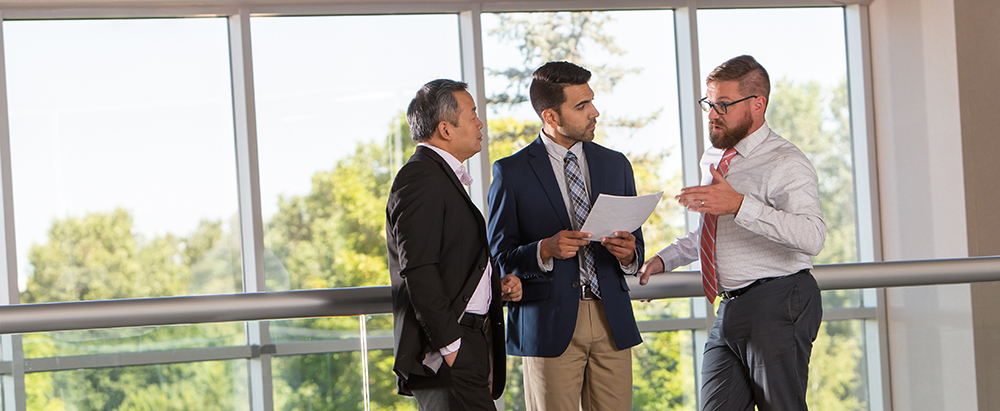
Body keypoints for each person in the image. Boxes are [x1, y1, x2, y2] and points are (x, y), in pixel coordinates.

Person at [639, 55, 827, 411]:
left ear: (758, 104)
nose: (712, 114)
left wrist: (741, 205)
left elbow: (813, 236)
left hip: (778, 299)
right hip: (730, 306)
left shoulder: (786, 161)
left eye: (723, 105)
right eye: (710, 103)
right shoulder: (714, 158)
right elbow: (711, 235)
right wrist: (665, 260)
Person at [487, 61, 643, 411]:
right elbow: (498, 258)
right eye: (581, 106)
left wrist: (629, 254)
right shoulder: (511, 172)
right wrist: (544, 249)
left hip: (611, 320)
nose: (594, 112)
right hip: (549, 322)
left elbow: (638, 247)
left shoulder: (616, 164)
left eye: (591, 101)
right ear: (551, 117)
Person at [386, 79, 522, 411]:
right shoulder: (420, 177)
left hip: (465, 343)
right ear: (446, 129)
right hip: (447, 350)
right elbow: (418, 269)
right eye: (473, 113)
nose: (480, 123)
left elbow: (449, 259)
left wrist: (491, 286)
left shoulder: (436, 176)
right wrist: (451, 346)